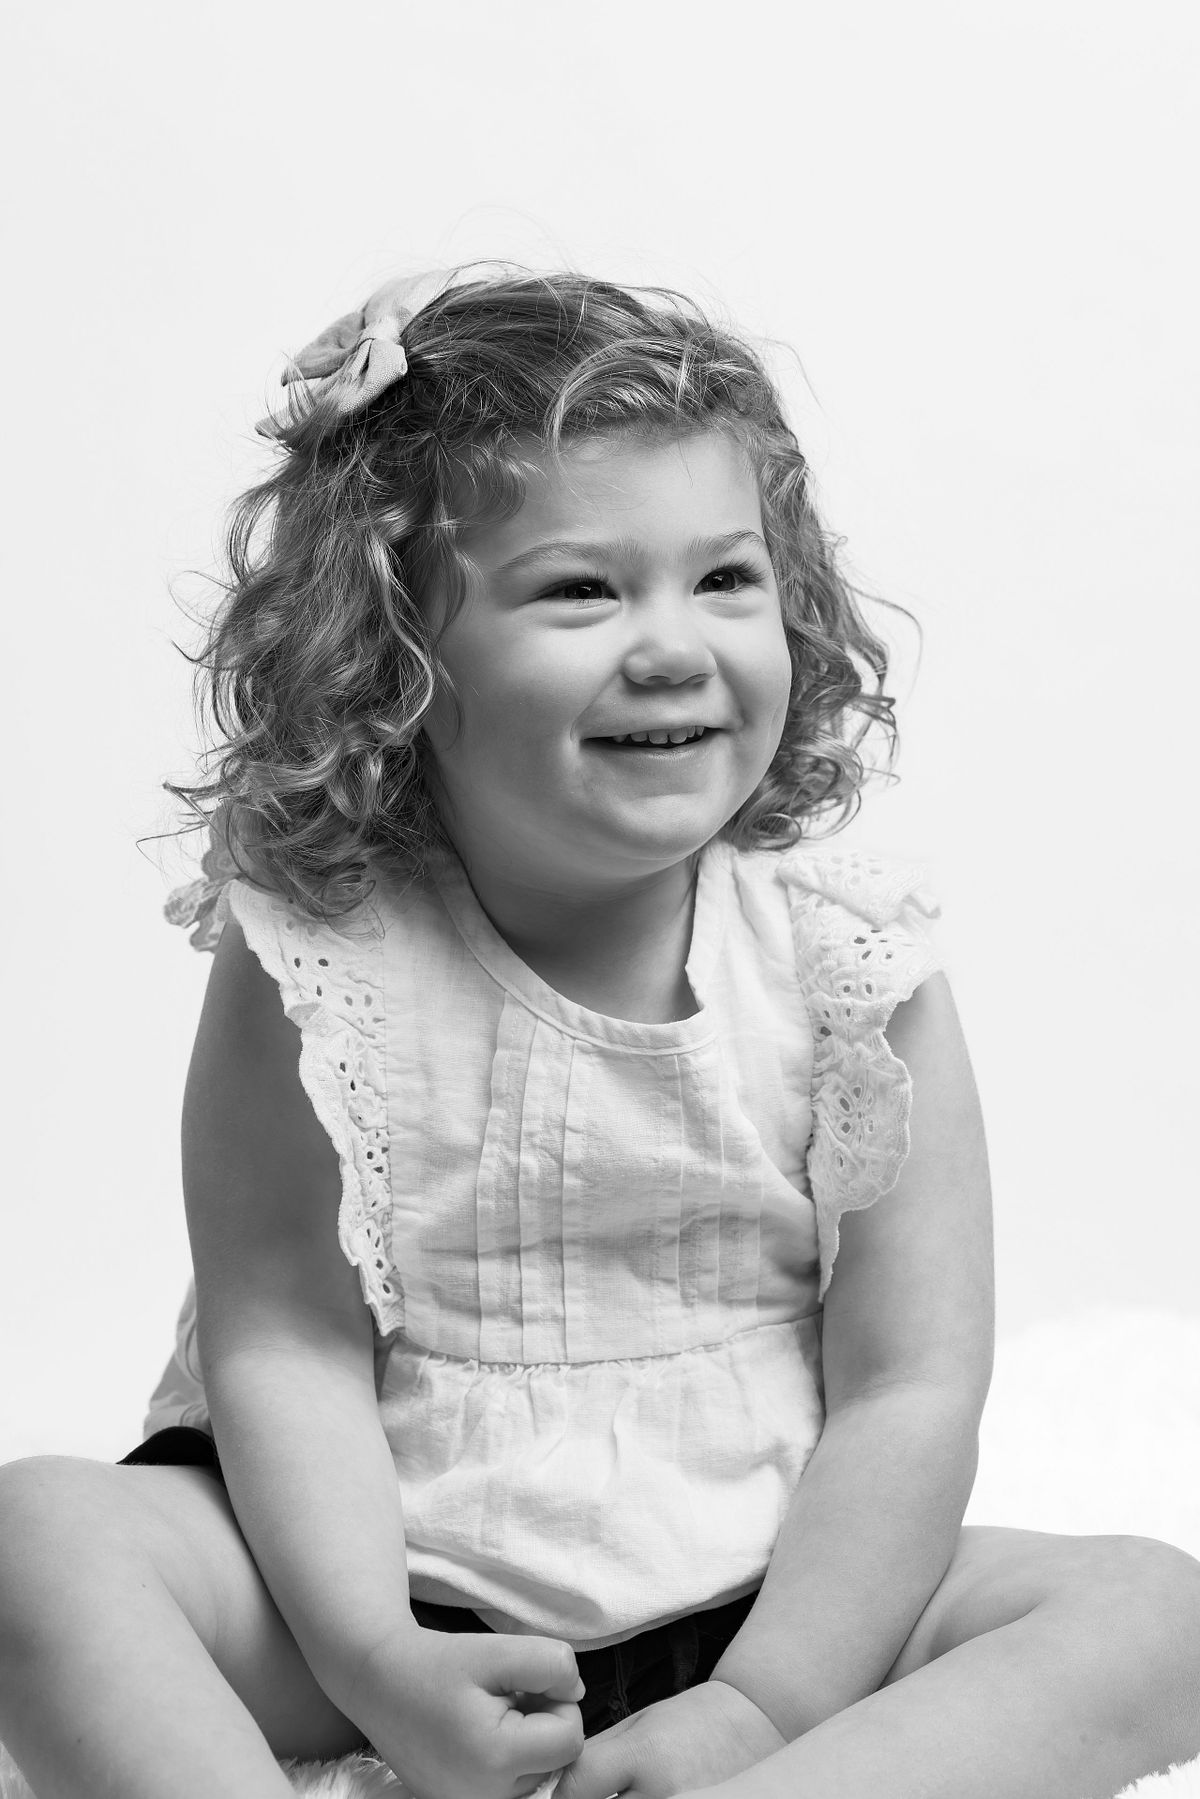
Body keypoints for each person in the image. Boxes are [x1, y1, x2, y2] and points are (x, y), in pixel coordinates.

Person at [0, 264, 1197, 1799]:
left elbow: (911, 1384)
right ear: (393, 651)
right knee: (40, 1541)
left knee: (1152, 1611)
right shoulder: (323, 965)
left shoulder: (851, 969)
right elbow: (283, 1339)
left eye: (727, 579)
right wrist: (376, 1659)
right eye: (583, 588)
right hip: (380, 1577)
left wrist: (762, 1705)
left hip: (769, 1592)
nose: (674, 644)